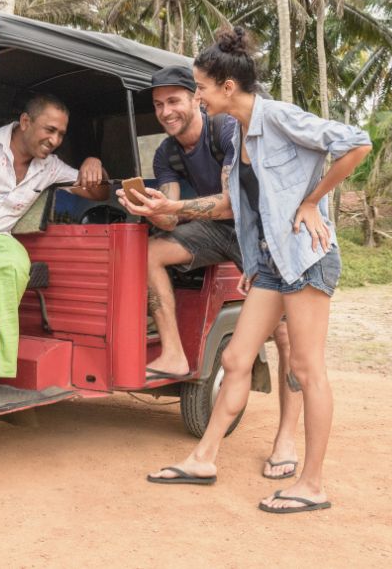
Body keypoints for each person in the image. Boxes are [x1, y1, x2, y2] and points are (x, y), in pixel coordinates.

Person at [129, 28, 371, 514]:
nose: (196, 97)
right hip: (272, 265)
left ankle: (312, 483)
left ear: (226, 88)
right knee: (237, 360)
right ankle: (203, 458)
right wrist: (251, 260)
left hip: (306, 258)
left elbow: (357, 143)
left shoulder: (277, 117)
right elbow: (236, 207)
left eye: (199, 88)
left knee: (306, 369)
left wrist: (311, 201)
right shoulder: (236, 132)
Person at [120, 65, 302, 480]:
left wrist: (173, 209)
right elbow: (169, 217)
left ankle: (286, 438)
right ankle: (173, 352)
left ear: (195, 98)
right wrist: (148, 207)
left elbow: (231, 203)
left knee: (288, 337)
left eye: (174, 101)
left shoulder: (223, 130)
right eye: (158, 104)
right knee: (151, 252)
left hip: (259, 231)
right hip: (215, 232)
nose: (166, 111)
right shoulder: (166, 153)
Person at [0, 93, 108, 384]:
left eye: (61, 134)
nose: (55, 140)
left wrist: (94, 164)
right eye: (50, 130)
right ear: (25, 122)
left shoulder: (51, 167)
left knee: (12, 263)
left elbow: (98, 193)